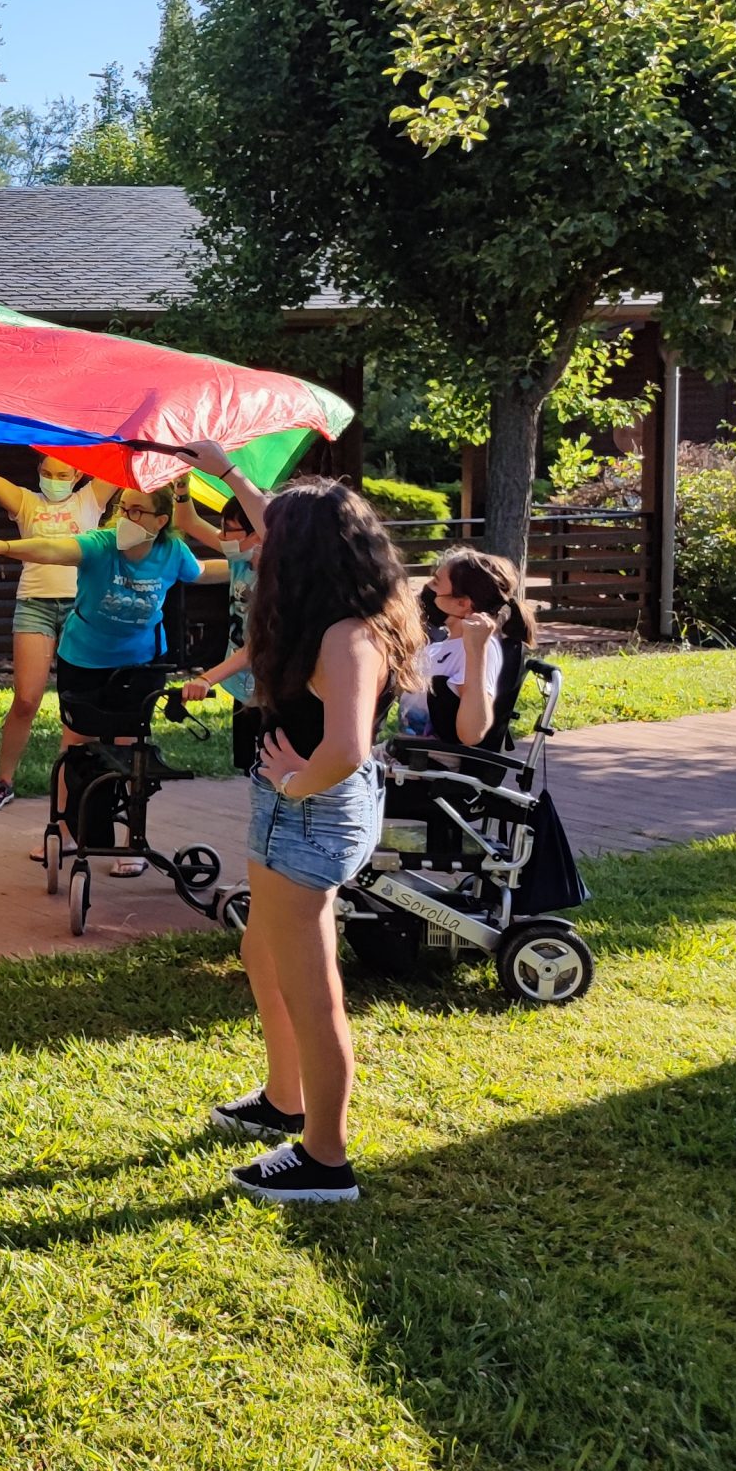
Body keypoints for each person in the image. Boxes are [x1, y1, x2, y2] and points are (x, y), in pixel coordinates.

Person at [210, 478, 423, 1206]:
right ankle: (283, 1096)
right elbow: (289, 518)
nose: (259, 544)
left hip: (311, 813)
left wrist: (296, 784)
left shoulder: (348, 636)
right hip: (292, 806)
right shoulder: (337, 609)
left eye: (273, 539)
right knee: (262, 950)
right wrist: (225, 469)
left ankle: (325, 1159)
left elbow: (349, 747)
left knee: (312, 987)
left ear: (300, 556)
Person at [0, 471, 228, 875]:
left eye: (138, 511)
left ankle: (131, 842)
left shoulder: (172, 552)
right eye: (124, 508)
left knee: (130, 750)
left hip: (139, 664)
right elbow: (51, 548)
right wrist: (3, 547)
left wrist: (253, 563)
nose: (127, 518)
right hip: (83, 659)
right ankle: (66, 833)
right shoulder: (101, 545)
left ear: (160, 521)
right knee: (77, 744)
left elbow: (204, 573)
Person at [0, 445, 111, 809]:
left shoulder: (90, 499)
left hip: (82, 605)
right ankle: (3, 781)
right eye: (48, 473)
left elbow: (120, 462)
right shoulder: (27, 503)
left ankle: (81, 781)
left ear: (78, 476)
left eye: (63, 476)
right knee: (26, 698)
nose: (54, 481)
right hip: (35, 605)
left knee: (79, 701)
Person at [180, 488, 275, 774]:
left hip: (270, 691)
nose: (221, 537)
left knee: (271, 772)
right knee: (249, 768)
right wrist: (182, 485)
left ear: (259, 533)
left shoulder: (278, 581)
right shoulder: (240, 558)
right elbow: (188, 522)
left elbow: (256, 647)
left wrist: (206, 679)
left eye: (230, 530)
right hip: (242, 687)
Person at [401, 548, 533, 751]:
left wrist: (476, 651)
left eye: (436, 582)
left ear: (462, 603)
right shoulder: (438, 647)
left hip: (430, 770)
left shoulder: (481, 650)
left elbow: (472, 734)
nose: (426, 588)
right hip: (402, 759)